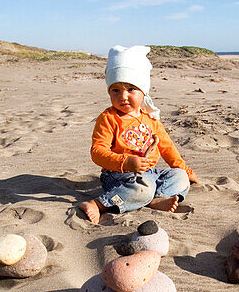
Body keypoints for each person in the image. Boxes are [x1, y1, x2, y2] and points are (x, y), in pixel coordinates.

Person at [79, 45, 199, 224]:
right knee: (141, 188)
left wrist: (185, 170)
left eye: (131, 89)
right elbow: (97, 151)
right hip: (117, 175)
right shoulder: (108, 118)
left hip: (150, 173)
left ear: (144, 91)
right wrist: (125, 162)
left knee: (179, 177)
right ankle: (99, 204)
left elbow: (167, 147)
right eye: (116, 90)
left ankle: (155, 199)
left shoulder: (151, 118)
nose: (123, 96)